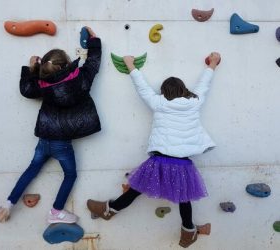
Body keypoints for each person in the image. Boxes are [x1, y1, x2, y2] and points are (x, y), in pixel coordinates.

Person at [87, 52, 221, 248]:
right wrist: (213, 65)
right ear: (183, 89)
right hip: (182, 164)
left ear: (164, 91)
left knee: (136, 189)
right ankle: (188, 233)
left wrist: (130, 65)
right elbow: (204, 85)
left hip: (159, 161)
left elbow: (142, 88)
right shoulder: (195, 102)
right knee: (184, 199)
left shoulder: (159, 103)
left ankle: (110, 210)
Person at [0, 27, 102, 224]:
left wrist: (30, 68)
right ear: (67, 64)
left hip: (44, 141)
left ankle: (8, 203)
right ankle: (55, 212)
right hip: (62, 144)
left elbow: (26, 89)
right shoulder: (82, 80)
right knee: (70, 175)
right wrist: (93, 41)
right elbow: (93, 63)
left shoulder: (42, 86)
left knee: (31, 170)